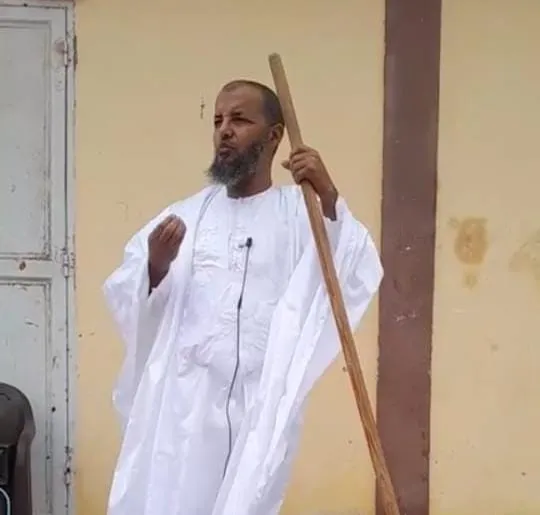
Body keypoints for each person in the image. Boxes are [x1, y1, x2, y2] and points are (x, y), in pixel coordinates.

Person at [103, 79, 383, 515]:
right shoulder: (186, 216)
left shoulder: (301, 214)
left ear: (274, 136)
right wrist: (155, 266)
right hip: (186, 407)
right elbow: (128, 293)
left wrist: (329, 195)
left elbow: (354, 265)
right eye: (217, 121)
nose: (224, 131)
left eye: (239, 119)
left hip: (260, 404)